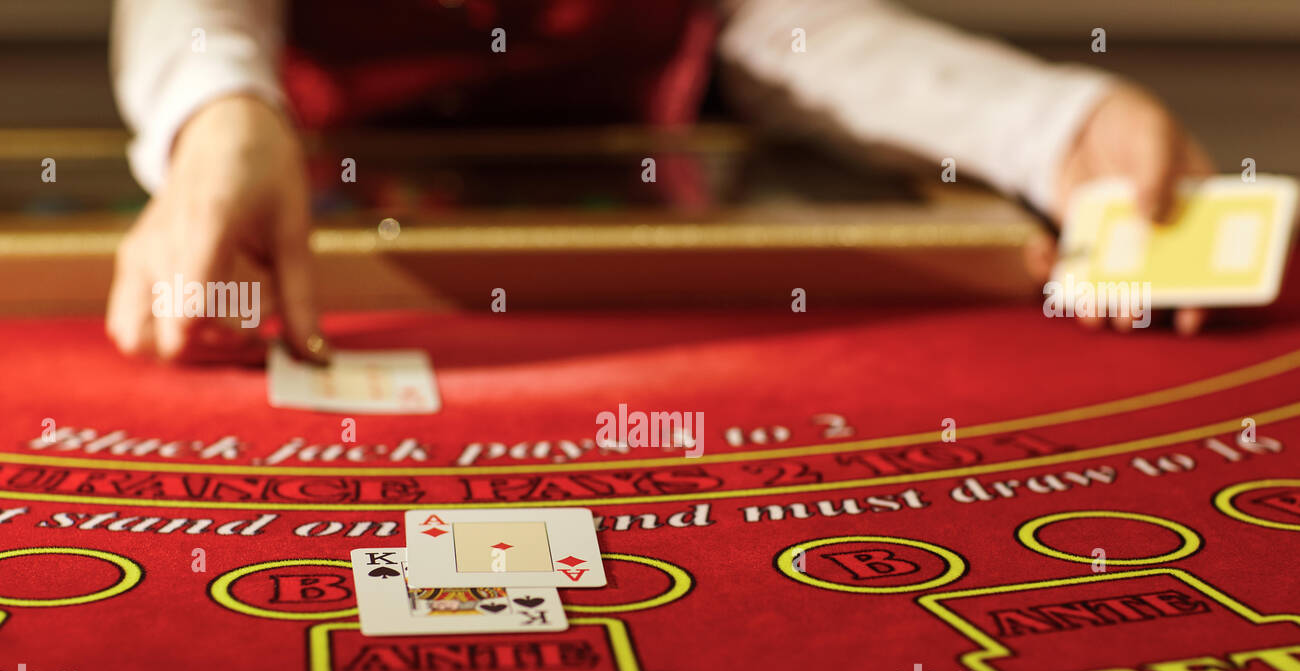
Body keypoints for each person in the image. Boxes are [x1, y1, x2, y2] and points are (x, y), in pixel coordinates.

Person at [107, 0, 1215, 364]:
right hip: (316, 241)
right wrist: (219, 118)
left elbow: (773, 25)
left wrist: (1053, 126)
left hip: (645, 252)